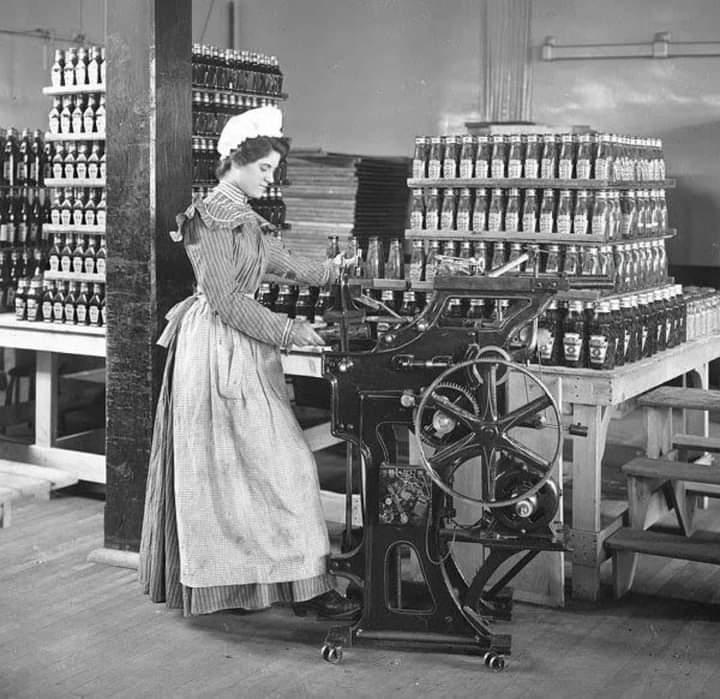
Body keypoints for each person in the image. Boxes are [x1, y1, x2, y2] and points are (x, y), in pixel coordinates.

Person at [139, 105, 360, 621]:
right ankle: (268, 583)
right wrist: (287, 330)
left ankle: (277, 581)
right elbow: (226, 299)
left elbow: (280, 262)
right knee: (252, 469)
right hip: (216, 351)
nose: (270, 178)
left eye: (273, 170)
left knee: (253, 471)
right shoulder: (206, 220)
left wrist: (332, 270)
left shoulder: (242, 215)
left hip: (243, 348)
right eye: (264, 168)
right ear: (236, 162)